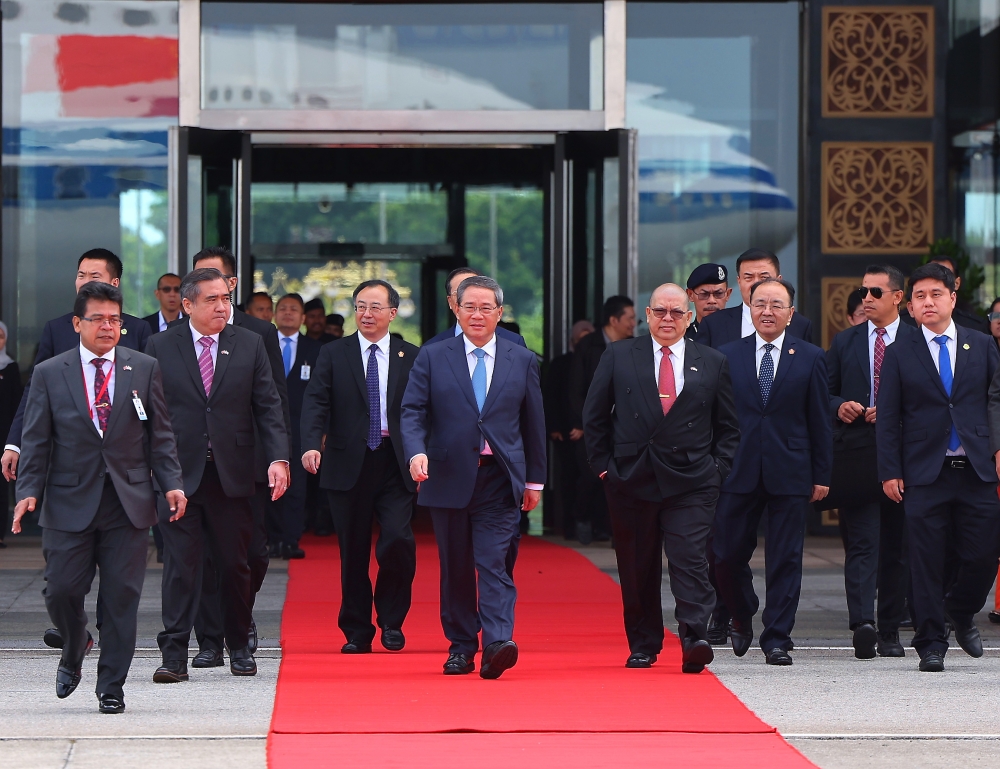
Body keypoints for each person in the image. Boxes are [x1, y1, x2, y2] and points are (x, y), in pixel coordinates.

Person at [12, 282, 185, 714]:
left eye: (115, 320)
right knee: (61, 591)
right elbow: (36, 440)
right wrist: (28, 490)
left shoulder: (142, 367)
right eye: (98, 319)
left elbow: (160, 433)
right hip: (68, 499)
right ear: (77, 323)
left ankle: (111, 686)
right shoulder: (50, 372)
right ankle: (75, 645)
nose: (108, 327)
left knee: (122, 597)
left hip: (127, 501)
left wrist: (172, 482)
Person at [583, 283, 739, 674]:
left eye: (676, 312)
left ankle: (694, 637)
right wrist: (604, 467)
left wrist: (718, 469)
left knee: (690, 559)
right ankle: (643, 644)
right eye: (660, 311)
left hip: (692, 479)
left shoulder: (713, 360)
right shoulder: (619, 354)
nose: (668, 319)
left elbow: (728, 426)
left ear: (689, 317)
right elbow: (595, 415)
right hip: (631, 477)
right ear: (647, 315)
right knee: (637, 565)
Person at [146, 268, 288, 682]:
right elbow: (151, 412)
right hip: (178, 476)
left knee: (234, 564)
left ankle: (238, 645)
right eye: (212, 299)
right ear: (187, 305)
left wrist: (279, 458)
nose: (222, 306)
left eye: (225, 298)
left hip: (233, 474)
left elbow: (269, 405)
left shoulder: (249, 343)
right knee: (181, 567)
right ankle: (174, 653)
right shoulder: (160, 345)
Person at [401, 276, 545, 679]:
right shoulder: (433, 356)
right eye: (470, 307)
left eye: (486, 308)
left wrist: (535, 481)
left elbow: (533, 422)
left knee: (494, 562)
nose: (477, 315)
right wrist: (416, 451)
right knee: (457, 566)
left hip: (499, 477)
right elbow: (412, 410)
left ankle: (498, 643)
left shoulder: (522, 359)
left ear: (499, 312)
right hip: (447, 475)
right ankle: (462, 646)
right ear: (456, 309)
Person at [878, 262, 1000, 672]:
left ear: (952, 298)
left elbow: (996, 400)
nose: (928, 302)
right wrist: (889, 469)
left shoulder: (981, 344)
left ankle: (960, 610)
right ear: (910, 306)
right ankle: (931, 643)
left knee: (984, 554)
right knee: (925, 561)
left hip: (977, 469)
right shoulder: (900, 352)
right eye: (920, 296)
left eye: (936, 294)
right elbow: (889, 416)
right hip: (923, 472)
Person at [713, 278, 832, 667]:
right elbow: (717, 418)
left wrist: (822, 474)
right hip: (737, 469)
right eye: (760, 303)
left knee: (785, 558)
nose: (767, 311)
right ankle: (742, 609)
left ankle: (777, 637)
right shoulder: (726, 355)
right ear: (749, 308)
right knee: (724, 555)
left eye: (776, 305)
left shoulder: (811, 357)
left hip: (791, 469)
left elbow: (819, 420)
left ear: (790, 314)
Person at [185, 246, 291, 663]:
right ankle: (212, 639)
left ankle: (239, 617)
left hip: (247, 465)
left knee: (250, 555)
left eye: (217, 283)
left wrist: (277, 457)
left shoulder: (258, 333)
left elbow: (273, 401)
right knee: (201, 558)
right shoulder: (173, 337)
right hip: (194, 464)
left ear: (231, 283)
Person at [302, 280, 419, 653]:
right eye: (360, 307)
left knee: (398, 540)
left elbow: (422, 409)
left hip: (394, 460)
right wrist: (310, 444)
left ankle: (391, 620)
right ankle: (356, 629)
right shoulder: (333, 353)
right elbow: (316, 401)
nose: (366, 314)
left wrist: (423, 451)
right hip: (347, 460)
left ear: (392, 313)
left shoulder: (410, 356)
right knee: (352, 551)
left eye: (375, 307)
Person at [2, 248, 153, 484]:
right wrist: (14, 443)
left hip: (125, 463)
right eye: (81, 275)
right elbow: (34, 391)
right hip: (70, 461)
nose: (85, 282)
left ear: (114, 283)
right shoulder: (57, 329)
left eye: (94, 276)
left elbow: (153, 398)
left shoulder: (137, 329)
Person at [826, 265, 914, 659]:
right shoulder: (845, 341)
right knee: (862, 543)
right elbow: (823, 391)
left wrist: (896, 412)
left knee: (896, 546)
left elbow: (933, 398)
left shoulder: (916, 340)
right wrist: (838, 405)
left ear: (898, 297)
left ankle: (890, 629)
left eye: (876, 292)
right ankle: (862, 623)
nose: (867, 298)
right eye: (864, 291)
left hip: (905, 456)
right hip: (857, 455)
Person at [569, 296, 636, 544]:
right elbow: (576, 388)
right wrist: (584, 423)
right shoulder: (588, 345)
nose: (634, 323)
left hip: (624, 427)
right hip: (592, 427)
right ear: (613, 320)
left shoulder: (635, 346)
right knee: (590, 477)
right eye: (630, 318)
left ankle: (609, 529)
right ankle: (582, 520)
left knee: (621, 479)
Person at [268, 293, 322, 559]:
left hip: (302, 429)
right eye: (283, 308)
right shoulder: (263, 345)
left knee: (297, 487)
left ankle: (290, 539)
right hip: (269, 427)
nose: (288, 313)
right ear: (274, 315)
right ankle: (272, 539)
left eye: (294, 309)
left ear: (303, 318)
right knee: (270, 484)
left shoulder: (316, 349)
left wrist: (322, 430)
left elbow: (324, 394)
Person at [695, 248, 813, 348]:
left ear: (779, 280)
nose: (756, 284)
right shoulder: (713, 324)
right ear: (739, 282)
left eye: (764, 277)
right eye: (748, 277)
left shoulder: (800, 325)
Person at [544, 319, 594, 538]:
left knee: (590, 477)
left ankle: (590, 522)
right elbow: (551, 396)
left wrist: (584, 425)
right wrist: (554, 426)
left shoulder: (599, 361)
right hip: (564, 432)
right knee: (567, 476)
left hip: (590, 430)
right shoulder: (560, 363)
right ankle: (567, 525)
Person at [425, 267, 527, 347]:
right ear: (450, 302)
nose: (469, 298)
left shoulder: (514, 342)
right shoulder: (431, 348)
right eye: (459, 293)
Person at [0, 322, 22, 547]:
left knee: (2, 483)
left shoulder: (10, 367)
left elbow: (17, 403)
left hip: (4, 433)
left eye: (0, 336)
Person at [685, 263, 732, 341]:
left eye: (718, 294)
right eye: (704, 294)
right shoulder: (682, 338)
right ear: (690, 295)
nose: (711, 301)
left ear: (728, 294)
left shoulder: (740, 333)